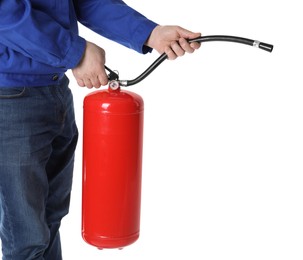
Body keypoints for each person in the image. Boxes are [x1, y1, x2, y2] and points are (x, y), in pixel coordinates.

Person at [0, 0, 201, 259]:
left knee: (50, 219)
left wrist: (150, 33)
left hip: (54, 91)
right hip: (10, 98)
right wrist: (75, 52)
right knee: (27, 236)